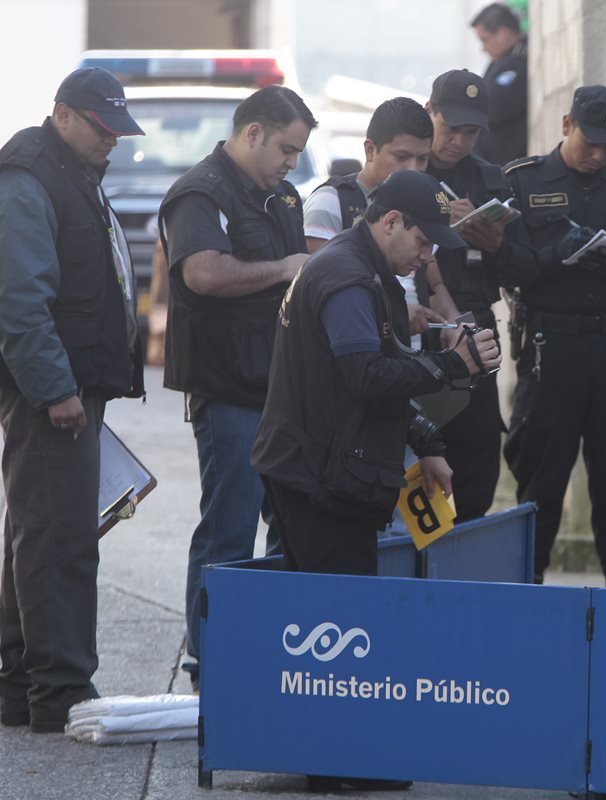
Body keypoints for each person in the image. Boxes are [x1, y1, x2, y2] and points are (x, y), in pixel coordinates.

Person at [252, 169, 501, 577]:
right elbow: (366, 376)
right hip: (319, 477)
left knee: (330, 605)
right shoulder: (349, 276)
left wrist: (426, 442)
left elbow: (383, 370)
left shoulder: (369, 270)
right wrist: (454, 364)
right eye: (422, 242)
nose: (426, 257)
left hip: (328, 468)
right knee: (341, 614)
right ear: (390, 222)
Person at [0, 68, 145, 732]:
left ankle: (22, 680)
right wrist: (56, 387)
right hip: (52, 392)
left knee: (41, 530)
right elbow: (21, 300)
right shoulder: (30, 178)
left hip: (68, 385)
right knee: (59, 536)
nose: (111, 140)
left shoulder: (66, 173)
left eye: (118, 129)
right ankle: (59, 690)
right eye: (100, 126)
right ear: (62, 115)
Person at [159, 84, 316, 691]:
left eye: (298, 153)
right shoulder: (200, 193)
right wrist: (283, 269)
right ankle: (209, 664)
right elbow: (202, 273)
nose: (291, 162)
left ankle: (271, 650)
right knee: (229, 528)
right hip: (228, 390)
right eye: (286, 148)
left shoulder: (281, 196)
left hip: (281, 388)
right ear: (252, 133)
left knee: (290, 525)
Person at [500, 85, 606, 588]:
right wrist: (560, 253)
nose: (599, 155)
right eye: (591, 142)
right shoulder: (524, 182)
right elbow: (510, 268)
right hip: (551, 348)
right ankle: (527, 584)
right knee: (541, 480)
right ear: (565, 126)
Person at [423, 68, 513, 520]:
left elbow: (520, 269)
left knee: (476, 446)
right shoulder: (405, 168)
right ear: (429, 112)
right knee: (416, 445)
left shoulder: (490, 181)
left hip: (475, 319)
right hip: (411, 321)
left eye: (471, 132)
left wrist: (493, 240)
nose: (459, 141)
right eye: (451, 128)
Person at [303, 97, 458, 346]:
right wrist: (393, 313)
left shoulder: (422, 201)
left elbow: (434, 282)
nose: (413, 169)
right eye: (402, 157)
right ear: (370, 150)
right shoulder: (331, 200)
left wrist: (454, 322)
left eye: (422, 160)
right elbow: (323, 286)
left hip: (411, 357)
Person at [470, 2, 528, 166]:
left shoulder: (518, 61)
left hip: (506, 164)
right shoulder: (503, 61)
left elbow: (493, 106)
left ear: (501, 34)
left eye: (484, 40)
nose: (483, 48)